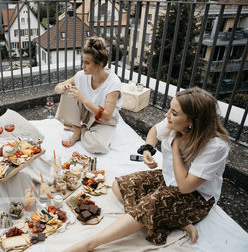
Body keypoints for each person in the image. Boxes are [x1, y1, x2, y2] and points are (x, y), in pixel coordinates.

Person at [63, 87, 230, 251]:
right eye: (170, 110)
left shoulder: (216, 146)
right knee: (119, 186)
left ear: (194, 122)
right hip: (169, 178)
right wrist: (148, 149)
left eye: (174, 113)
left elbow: (186, 187)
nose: (167, 116)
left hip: (196, 197)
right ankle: (169, 219)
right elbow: (155, 131)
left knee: (150, 204)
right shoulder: (175, 122)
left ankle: (89, 244)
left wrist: (176, 146)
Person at [54, 36, 122, 153]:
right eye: (83, 62)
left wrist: (83, 99)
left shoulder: (113, 84)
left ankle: (82, 129)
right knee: (69, 91)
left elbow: (106, 116)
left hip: (103, 121)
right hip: (87, 113)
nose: (82, 66)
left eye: (87, 63)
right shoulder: (81, 75)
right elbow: (57, 88)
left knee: (98, 147)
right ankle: (76, 131)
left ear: (99, 64)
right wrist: (63, 88)